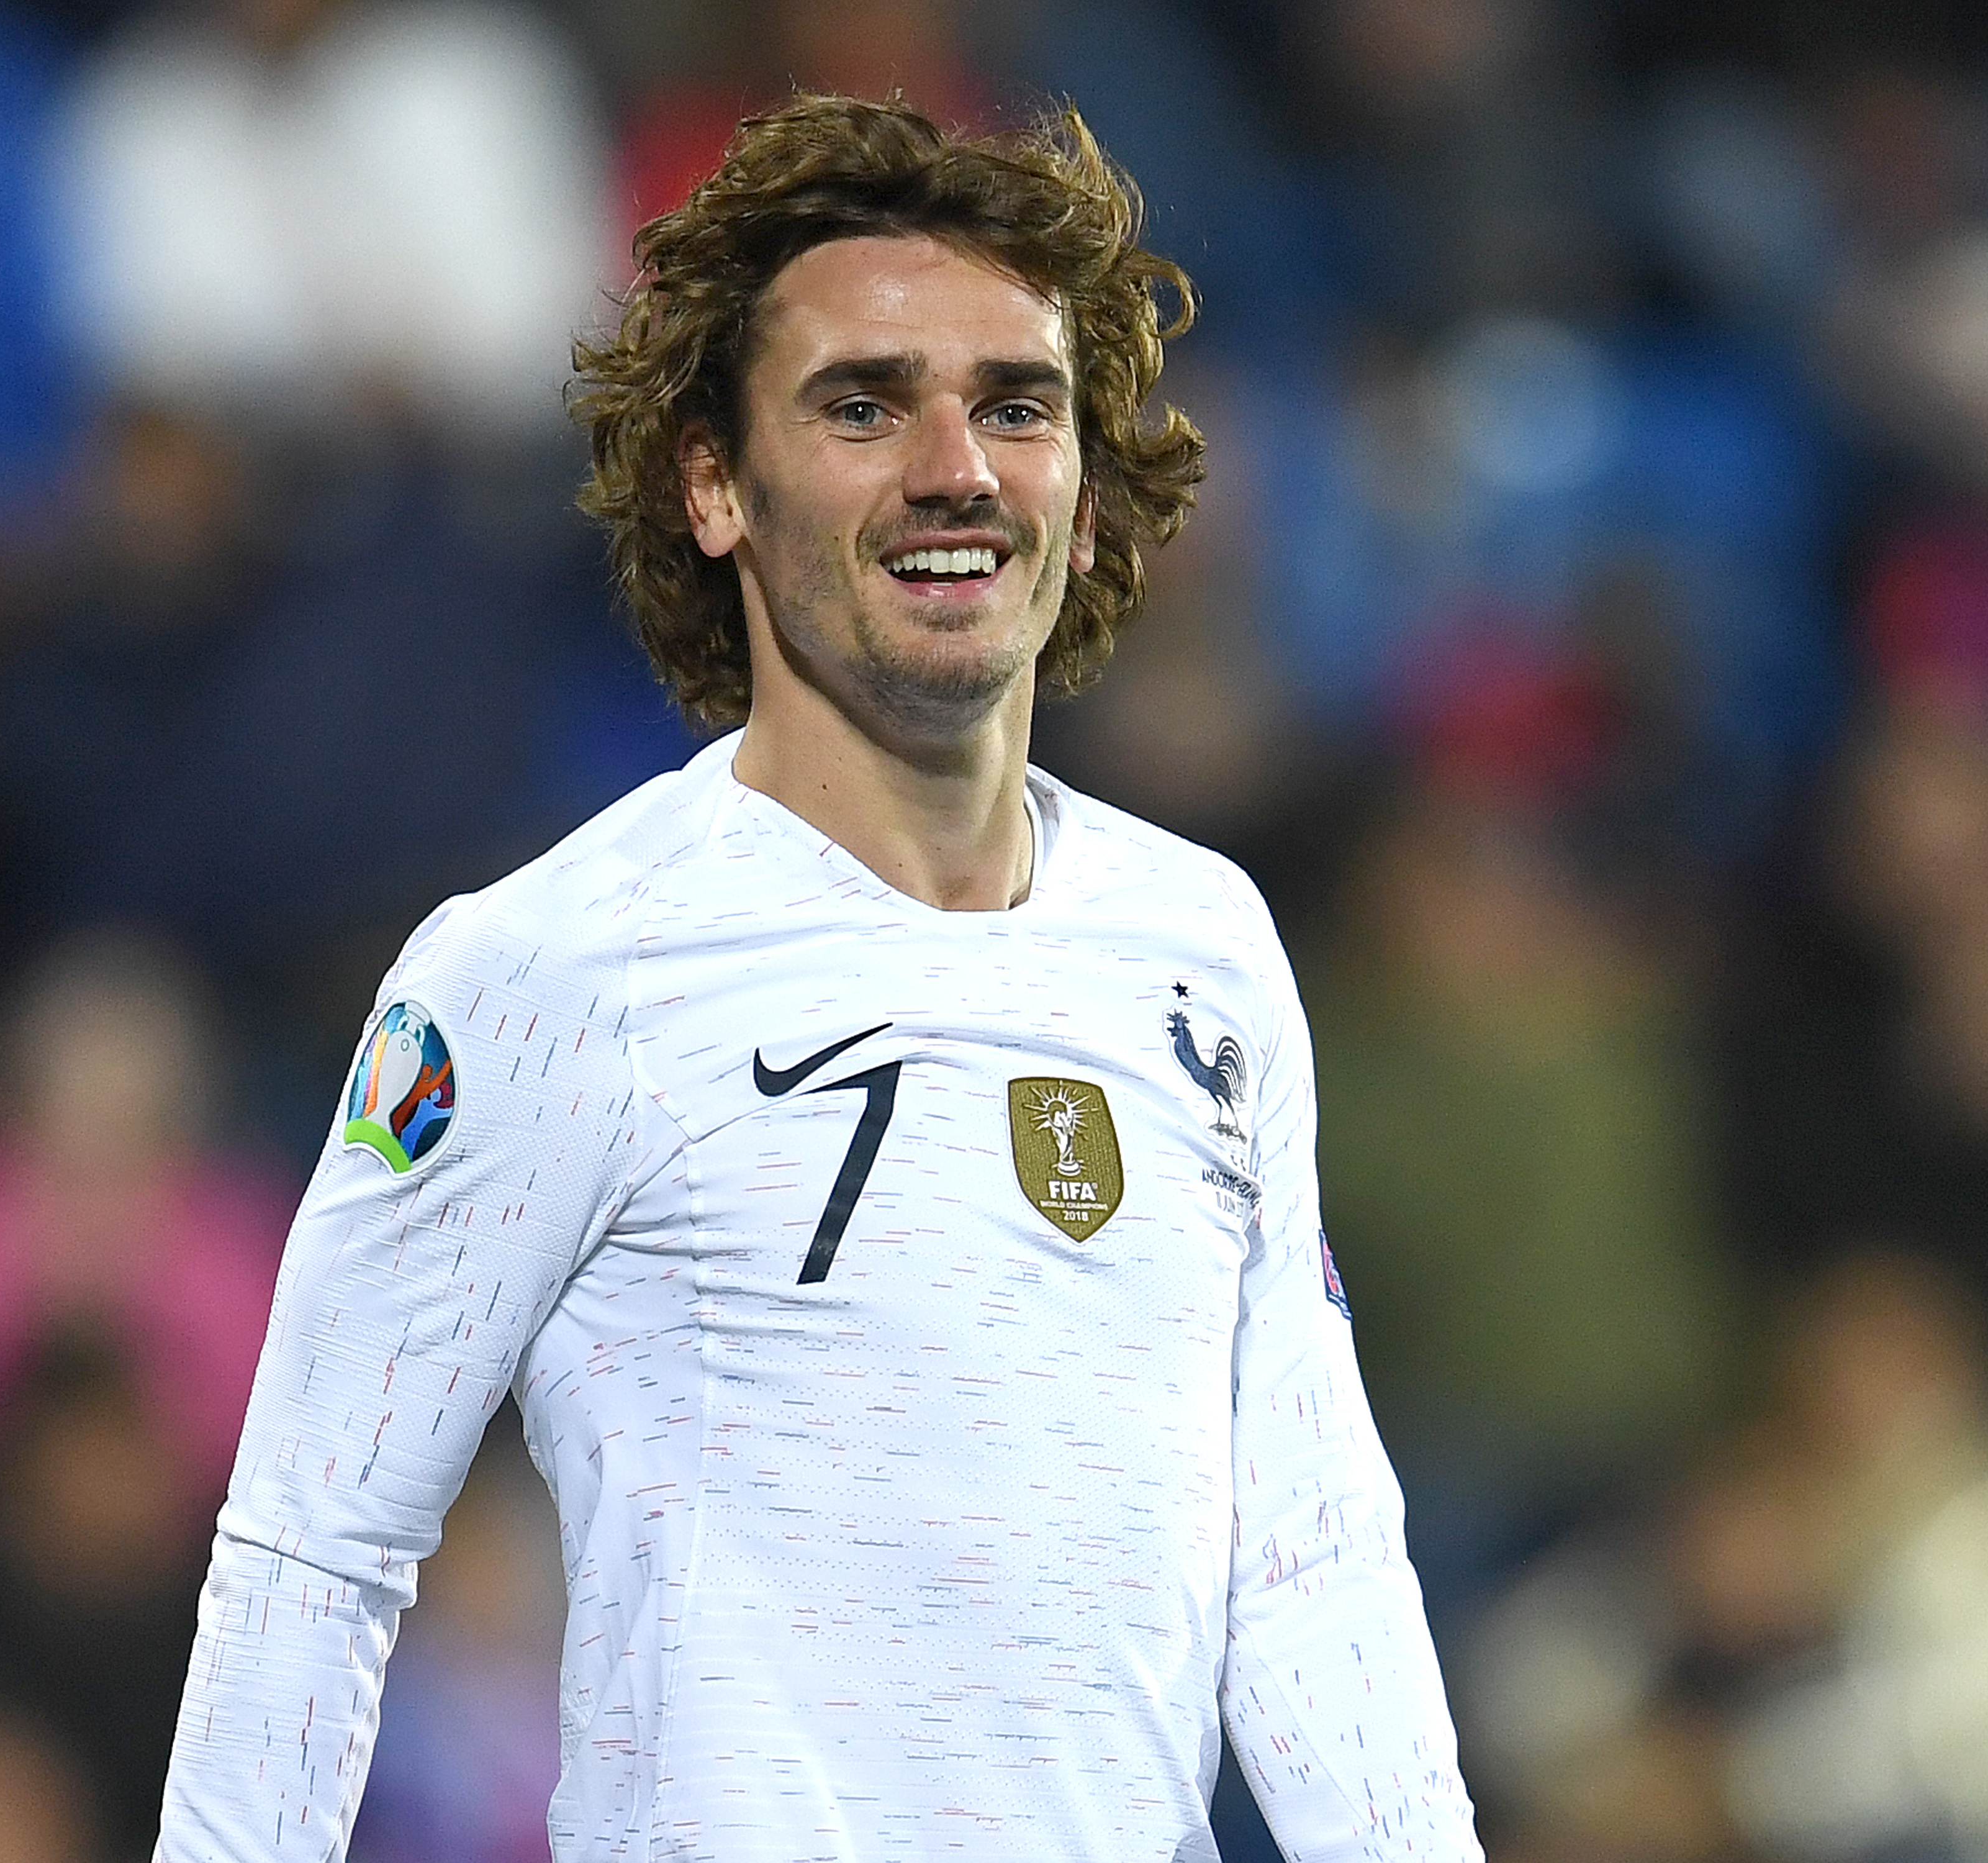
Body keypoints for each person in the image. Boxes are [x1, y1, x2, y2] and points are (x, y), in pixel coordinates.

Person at [151, 94, 1479, 1861]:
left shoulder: (1206, 947)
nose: (956, 466)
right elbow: (314, 1550)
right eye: (863, 405)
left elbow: (1307, 1554)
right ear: (714, 483)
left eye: (1016, 404)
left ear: (1086, 492)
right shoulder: (545, 970)